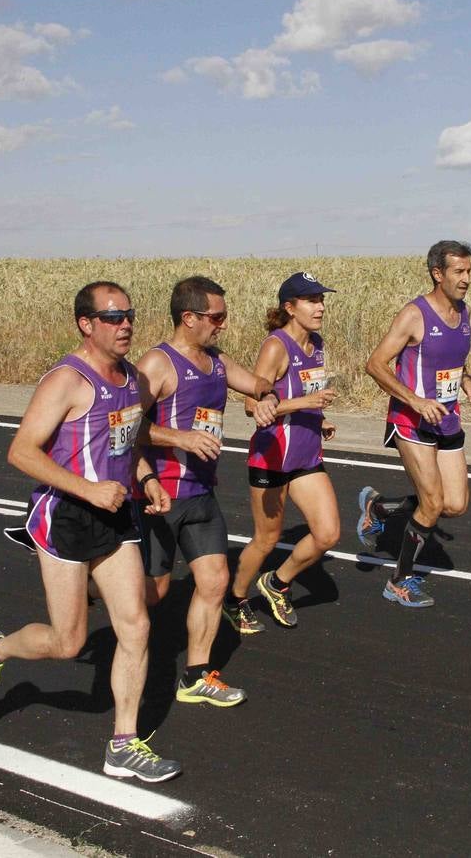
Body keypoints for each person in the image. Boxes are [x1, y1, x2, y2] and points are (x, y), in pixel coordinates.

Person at [0, 281, 181, 784]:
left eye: (129, 316)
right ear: (86, 324)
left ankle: (124, 743)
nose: (124, 325)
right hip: (66, 516)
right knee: (68, 642)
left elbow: (128, 440)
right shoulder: (67, 380)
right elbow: (21, 452)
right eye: (112, 317)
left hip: (116, 512)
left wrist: (145, 478)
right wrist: (89, 489)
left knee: (137, 625)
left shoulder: (133, 380)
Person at [134, 276, 278, 705]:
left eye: (224, 316)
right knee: (154, 593)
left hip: (200, 493)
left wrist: (265, 397)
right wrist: (180, 439)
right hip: (158, 496)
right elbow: (123, 427)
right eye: (216, 317)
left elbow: (256, 383)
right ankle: (87, 580)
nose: (223, 325)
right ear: (189, 318)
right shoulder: (157, 365)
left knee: (215, 582)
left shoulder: (215, 361)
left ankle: (196, 675)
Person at [358, 241, 471, 608]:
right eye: (459, 272)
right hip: (411, 421)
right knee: (430, 503)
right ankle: (399, 581)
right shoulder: (414, 315)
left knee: (454, 505)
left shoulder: (464, 312)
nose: (466, 279)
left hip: (447, 418)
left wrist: (467, 381)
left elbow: (453, 359)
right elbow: (376, 364)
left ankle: (378, 509)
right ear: (437, 274)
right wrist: (415, 400)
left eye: (469, 271)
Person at [226, 272, 342, 634]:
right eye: (311, 300)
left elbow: (304, 392)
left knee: (328, 534)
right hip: (272, 457)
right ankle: (235, 599)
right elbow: (250, 404)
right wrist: (303, 403)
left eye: (322, 299)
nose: (320, 307)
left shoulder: (317, 343)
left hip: (306, 457)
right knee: (266, 539)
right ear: (290, 308)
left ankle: (276, 583)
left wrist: (317, 417)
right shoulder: (276, 346)